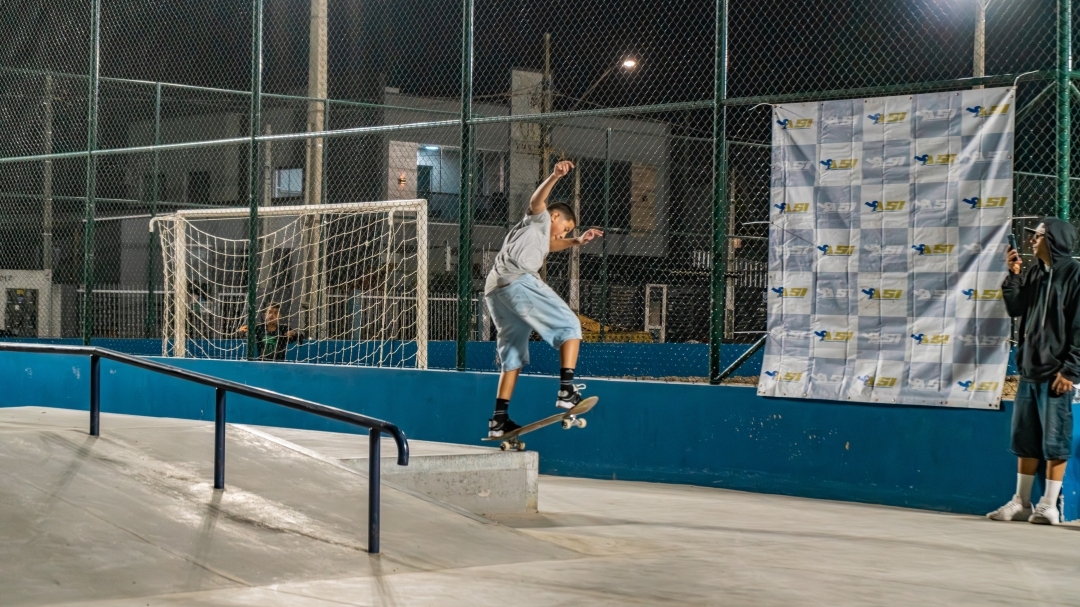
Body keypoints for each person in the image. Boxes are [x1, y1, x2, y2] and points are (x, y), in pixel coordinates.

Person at [485, 160, 604, 437]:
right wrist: (554, 176)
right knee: (570, 326)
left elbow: (551, 244)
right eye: (565, 228)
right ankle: (566, 389)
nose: (564, 233)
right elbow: (537, 201)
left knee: (512, 355)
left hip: (496, 289)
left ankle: (499, 420)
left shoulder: (533, 235)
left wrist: (577, 242)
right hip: (518, 281)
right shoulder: (538, 219)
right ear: (554, 217)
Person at [989, 218, 1079, 525]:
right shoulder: (1035, 273)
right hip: (1029, 370)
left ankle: (1049, 505)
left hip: (1058, 375)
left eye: (1038, 236)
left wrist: (1071, 369)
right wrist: (1014, 275)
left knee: (1056, 440)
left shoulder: (1074, 274)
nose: (1032, 241)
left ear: (1054, 240)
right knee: (1025, 439)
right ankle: (1021, 502)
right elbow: (1015, 307)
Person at [238, 303, 303, 362]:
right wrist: (247, 333)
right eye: (270, 312)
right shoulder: (258, 328)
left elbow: (300, 337)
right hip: (262, 363)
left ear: (280, 316)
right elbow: (241, 330)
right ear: (265, 315)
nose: (272, 315)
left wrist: (294, 334)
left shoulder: (284, 329)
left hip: (280, 364)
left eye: (275, 313)